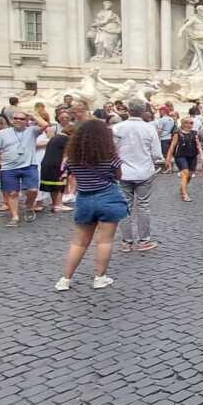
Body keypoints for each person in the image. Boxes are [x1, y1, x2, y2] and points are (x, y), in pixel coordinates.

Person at [55, 118, 129, 292]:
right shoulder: (110, 156)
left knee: (79, 242)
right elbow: (118, 176)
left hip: (85, 198)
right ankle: (100, 277)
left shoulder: (73, 158)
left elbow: (69, 174)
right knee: (104, 241)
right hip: (108, 197)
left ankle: (65, 279)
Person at [113, 99, 163, 252]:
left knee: (125, 207)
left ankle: (126, 242)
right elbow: (156, 154)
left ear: (128, 110)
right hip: (144, 172)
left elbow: (111, 151)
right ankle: (144, 241)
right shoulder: (149, 129)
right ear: (143, 111)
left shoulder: (117, 128)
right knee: (143, 206)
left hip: (123, 172)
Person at [0, 108, 49, 227]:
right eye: (15, 118)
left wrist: (31, 114)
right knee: (12, 193)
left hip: (29, 165)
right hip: (8, 167)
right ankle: (15, 217)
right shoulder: (2, 133)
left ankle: (29, 206)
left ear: (27, 121)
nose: (18, 120)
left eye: (21, 118)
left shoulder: (32, 131)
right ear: (11, 120)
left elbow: (45, 124)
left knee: (33, 190)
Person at [39, 115, 73, 214]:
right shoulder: (66, 140)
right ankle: (58, 204)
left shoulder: (56, 137)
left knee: (52, 186)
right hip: (58, 165)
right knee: (59, 185)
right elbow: (67, 155)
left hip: (47, 164)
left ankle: (55, 204)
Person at [165, 117, 203, 202]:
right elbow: (172, 146)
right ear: (182, 123)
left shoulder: (195, 133)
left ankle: (182, 188)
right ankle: (185, 194)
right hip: (180, 156)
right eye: (186, 122)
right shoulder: (177, 133)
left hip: (192, 156)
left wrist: (202, 156)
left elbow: (198, 146)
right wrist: (168, 158)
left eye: (191, 123)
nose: (189, 125)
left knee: (190, 174)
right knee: (185, 173)